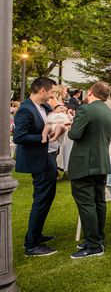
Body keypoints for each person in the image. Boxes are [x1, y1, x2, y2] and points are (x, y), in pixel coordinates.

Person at [68, 81, 111, 259]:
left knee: (86, 203)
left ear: (90, 92)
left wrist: (70, 126)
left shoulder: (86, 109)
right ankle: (96, 238)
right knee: (98, 202)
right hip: (101, 161)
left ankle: (94, 245)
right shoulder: (108, 112)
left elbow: (74, 134)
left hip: (84, 162)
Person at [13, 77, 60, 256]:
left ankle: (36, 234)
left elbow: (51, 121)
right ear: (42, 91)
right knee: (41, 198)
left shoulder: (45, 108)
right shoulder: (26, 109)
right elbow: (19, 137)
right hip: (38, 159)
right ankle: (31, 244)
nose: (52, 95)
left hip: (48, 156)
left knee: (48, 196)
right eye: (51, 92)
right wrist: (44, 137)